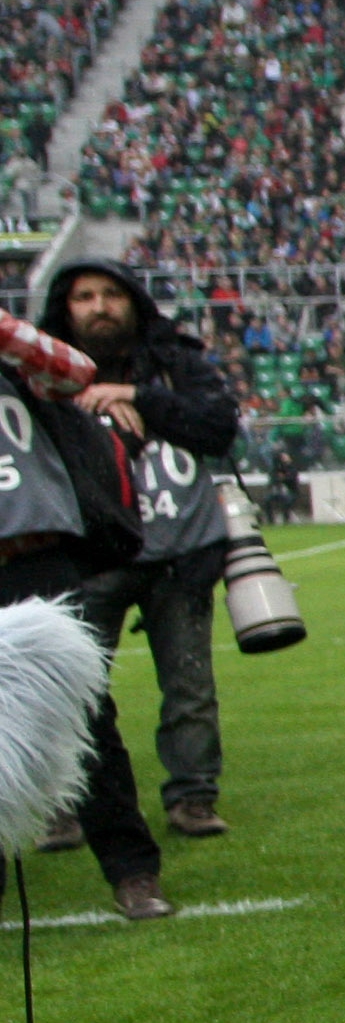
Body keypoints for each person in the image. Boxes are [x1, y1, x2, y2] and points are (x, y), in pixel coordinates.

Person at [50, 262, 243, 839]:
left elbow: (218, 425)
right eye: (85, 297)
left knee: (189, 688)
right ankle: (65, 803)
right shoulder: (43, 373)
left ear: (133, 302)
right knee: (73, 691)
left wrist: (137, 396)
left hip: (180, 553)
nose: (99, 306)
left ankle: (193, 798)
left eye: (111, 294)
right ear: (66, 308)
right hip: (90, 556)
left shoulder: (174, 363)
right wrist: (88, 400)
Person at [0, 324, 168, 919]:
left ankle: (132, 871)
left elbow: (75, 372)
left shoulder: (12, 351)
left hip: (31, 550)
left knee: (87, 715)